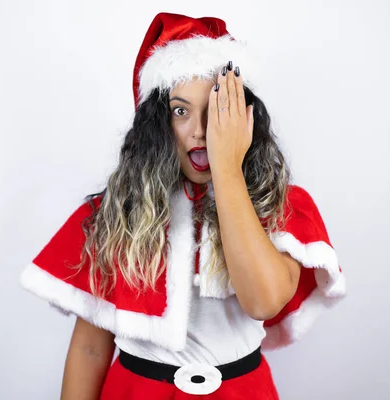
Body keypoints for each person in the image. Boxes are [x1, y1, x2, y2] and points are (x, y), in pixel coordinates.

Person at [20, 12, 346, 400]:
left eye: (216, 109)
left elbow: (263, 301)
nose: (199, 130)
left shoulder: (284, 206)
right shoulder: (118, 212)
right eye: (180, 111)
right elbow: (91, 348)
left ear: (244, 117)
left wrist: (227, 168)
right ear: (157, 124)